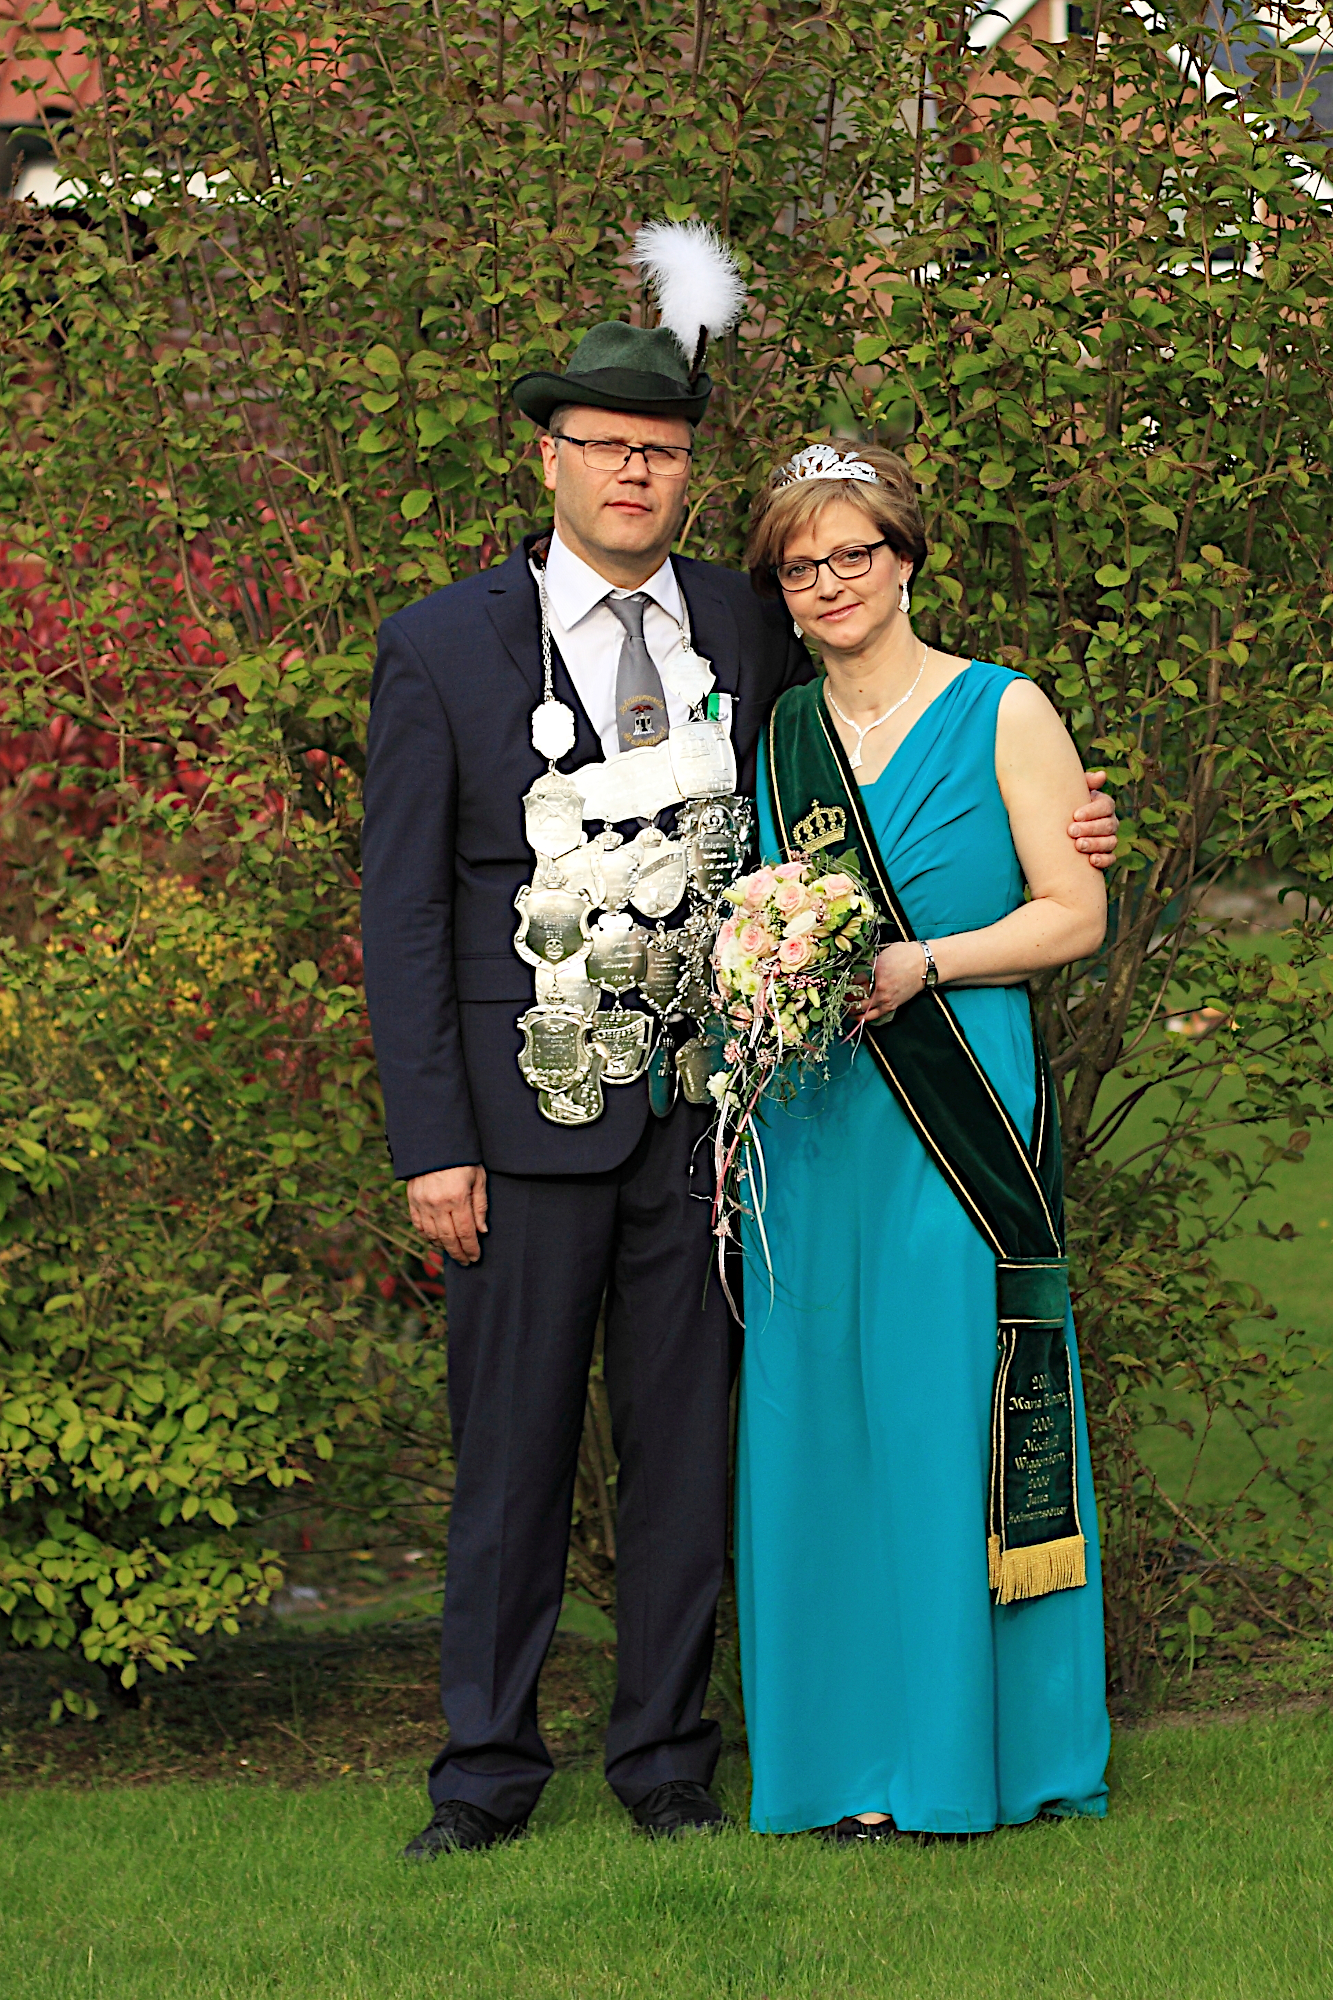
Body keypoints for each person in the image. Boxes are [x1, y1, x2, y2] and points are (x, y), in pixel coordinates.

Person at [360, 249, 1120, 1855]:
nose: (632, 473)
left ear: (688, 471)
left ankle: (665, 1763)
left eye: (660, 450)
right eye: (602, 446)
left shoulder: (743, 624)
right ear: (548, 460)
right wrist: (432, 1141)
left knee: (688, 1461)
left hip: (719, 1133)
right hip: (520, 1124)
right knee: (510, 1463)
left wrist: (1071, 828)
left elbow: (879, 779)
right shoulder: (440, 645)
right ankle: (484, 1775)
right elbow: (405, 913)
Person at [735, 440, 1112, 1841]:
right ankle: (838, 1765)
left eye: (854, 554)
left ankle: (972, 1759)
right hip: (817, 1113)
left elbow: (1074, 914)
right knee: (821, 1416)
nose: (831, 583)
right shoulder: (780, 738)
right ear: (781, 589)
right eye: (801, 566)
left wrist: (926, 962)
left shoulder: (1005, 709)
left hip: (953, 1102)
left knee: (937, 1398)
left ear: (903, 560)